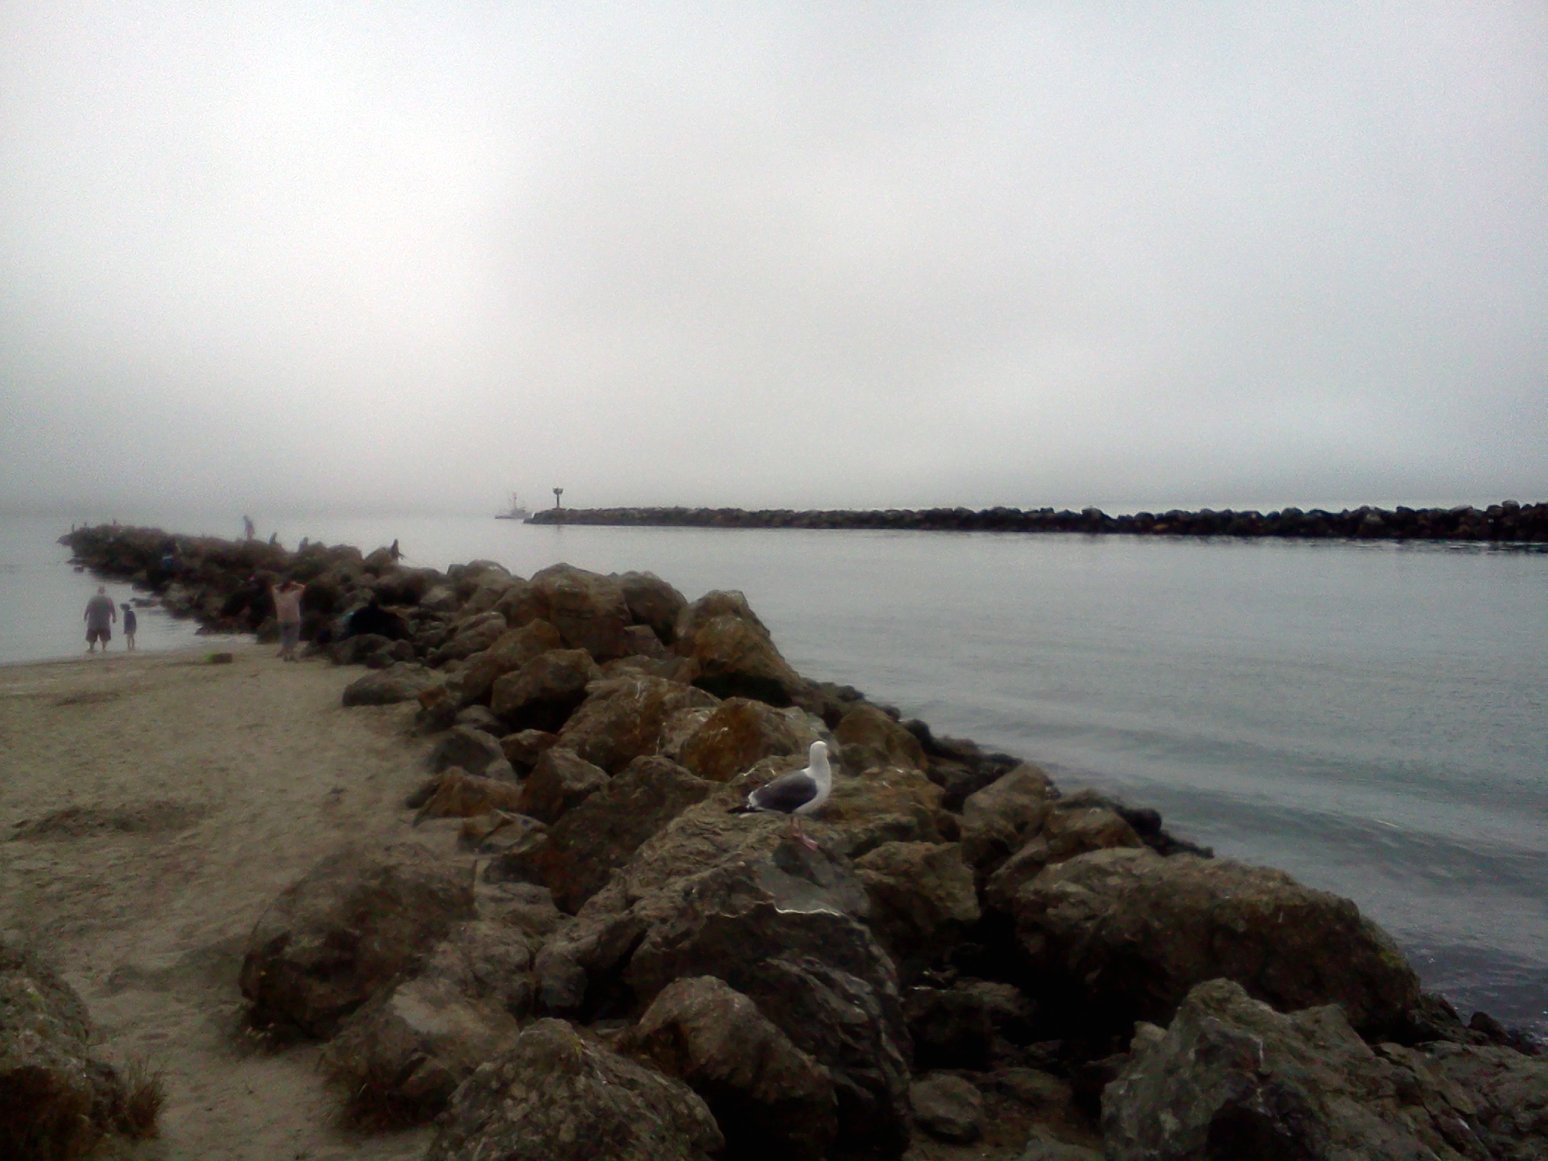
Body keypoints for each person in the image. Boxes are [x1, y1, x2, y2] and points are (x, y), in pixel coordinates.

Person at [270, 579, 306, 661]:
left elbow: (272, 587)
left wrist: (282, 584)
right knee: (293, 637)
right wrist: (295, 584)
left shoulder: (277, 595)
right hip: (294, 619)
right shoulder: (295, 594)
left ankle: (285, 653)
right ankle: (291, 652)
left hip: (281, 619)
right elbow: (303, 587)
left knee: (284, 636)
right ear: (290, 587)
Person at [84, 586, 117, 653]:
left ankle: (91, 648)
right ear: (104, 591)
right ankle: (104, 649)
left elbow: (88, 608)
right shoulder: (108, 599)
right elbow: (112, 609)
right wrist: (114, 617)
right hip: (104, 621)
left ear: (98, 591)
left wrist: (85, 616)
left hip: (93, 621)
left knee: (92, 635)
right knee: (104, 636)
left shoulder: (93, 599)